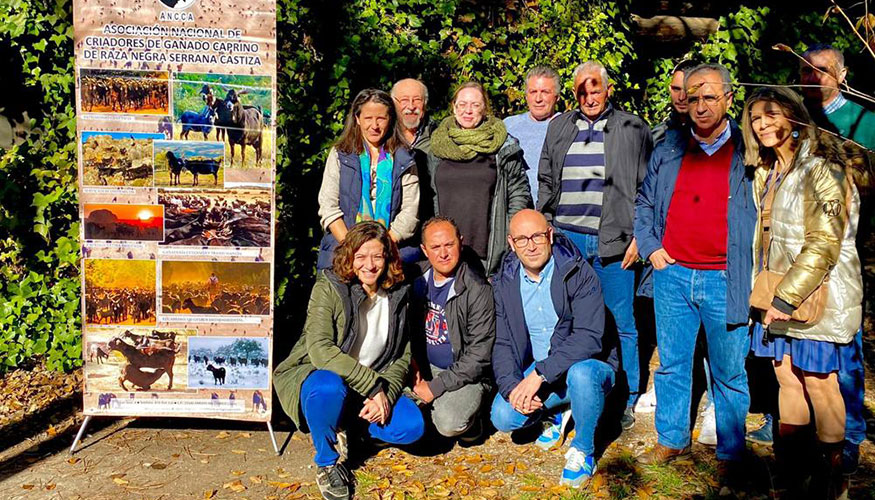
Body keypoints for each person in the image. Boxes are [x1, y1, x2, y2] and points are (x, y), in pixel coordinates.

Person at [634, 64, 755, 482]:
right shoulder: (670, 148)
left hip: (726, 277)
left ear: (727, 99)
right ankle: (670, 438)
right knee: (671, 364)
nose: (700, 105)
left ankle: (732, 451)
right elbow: (645, 203)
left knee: (729, 370)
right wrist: (652, 249)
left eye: (709, 97)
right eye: (693, 96)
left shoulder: (749, 151)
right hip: (674, 275)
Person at [742, 86, 863, 498]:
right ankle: (794, 473)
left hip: (815, 294)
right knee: (785, 379)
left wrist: (784, 298)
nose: (763, 124)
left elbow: (825, 243)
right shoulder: (769, 170)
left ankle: (834, 482)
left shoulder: (822, 168)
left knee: (819, 381)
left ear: (793, 115)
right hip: (776, 292)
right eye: (756, 118)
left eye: (771, 114)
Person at [273, 221, 425, 500]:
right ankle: (327, 460)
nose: (369, 264)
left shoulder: (398, 293)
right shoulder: (329, 287)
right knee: (327, 388)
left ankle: (348, 429)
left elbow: (402, 354)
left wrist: (387, 395)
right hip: (323, 375)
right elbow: (320, 349)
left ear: (388, 258)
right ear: (350, 257)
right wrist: (374, 387)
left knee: (412, 425)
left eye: (377, 256)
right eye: (361, 256)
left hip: (371, 385)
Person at [538, 61, 652, 429]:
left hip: (614, 242)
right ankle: (569, 397)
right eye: (582, 91)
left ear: (608, 89)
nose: (590, 97)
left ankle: (626, 397)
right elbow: (545, 178)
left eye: (596, 89)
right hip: (568, 241)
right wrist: (547, 224)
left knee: (622, 323)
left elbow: (648, 188)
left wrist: (640, 234)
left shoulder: (632, 127)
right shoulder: (560, 126)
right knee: (568, 320)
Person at [490, 209, 618, 488]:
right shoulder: (504, 281)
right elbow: (502, 342)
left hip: (588, 366)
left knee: (582, 376)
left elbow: (589, 338)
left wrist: (537, 376)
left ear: (550, 235)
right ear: (511, 243)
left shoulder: (576, 270)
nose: (531, 245)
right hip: (543, 369)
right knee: (503, 415)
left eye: (537, 236)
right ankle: (559, 410)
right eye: (522, 239)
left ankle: (584, 450)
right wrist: (513, 386)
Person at [798, 44, 871, 476]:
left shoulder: (864, 122)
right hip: (794, 247)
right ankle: (797, 421)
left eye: (822, 70)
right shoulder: (791, 118)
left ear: (842, 75)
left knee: (843, 342)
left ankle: (851, 434)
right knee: (795, 339)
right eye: (805, 70)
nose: (812, 77)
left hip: (845, 249)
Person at [428, 81, 532, 276]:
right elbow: (429, 197)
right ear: (454, 107)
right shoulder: (437, 146)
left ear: (484, 109)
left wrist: (510, 235)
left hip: (488, 253)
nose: (468, 110)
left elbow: (518, 194)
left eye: (475, 105)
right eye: (462, 104)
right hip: (444, 252)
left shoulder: (502, 146)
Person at [410, 216, 495, 439]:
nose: (443, 253)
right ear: (424, 250)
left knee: (449, 423)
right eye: (435, 247)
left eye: (449, 245)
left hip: (462, 373)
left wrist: (436, 387)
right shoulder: (414, 279)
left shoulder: (477, 289)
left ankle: (475, 418)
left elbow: (479, 356)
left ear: (461, 242)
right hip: (422, 367)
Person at [316, 89, 420, 270]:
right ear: (357, 119)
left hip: (390, 253)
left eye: (381, 118)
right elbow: (328, 206)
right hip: (343, 252)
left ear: (391, 120)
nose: (374, 125)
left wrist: (380, 248)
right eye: (368, 118)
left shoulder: (405, 159)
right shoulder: (341, 155)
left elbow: (410, 212)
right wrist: (353, 248)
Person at [504, 66, 562, 205]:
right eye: (533, 92)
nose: (538, 99)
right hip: (517, 212)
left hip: (557, 214)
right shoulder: (509, 126)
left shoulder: (568, 127)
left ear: (557, 97)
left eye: (545, 92)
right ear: (526, 96)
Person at [391, 78, 436, 230]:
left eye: (417, 100)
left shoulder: (439, 136)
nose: (411, 106)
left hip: (430, 225)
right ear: (393, 103)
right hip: (391, 226)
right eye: (404, 100)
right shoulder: (382, 137)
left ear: (425, 103)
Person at [651, 59, 698, 145]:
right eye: (676, 89)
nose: (681, 97)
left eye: (688, 91)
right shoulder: (658, 137)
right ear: (670, 89)